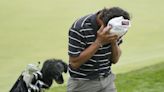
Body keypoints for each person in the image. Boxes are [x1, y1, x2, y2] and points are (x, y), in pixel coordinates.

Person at [67, 7, 130, 92]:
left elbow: (115, 60)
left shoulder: (116, 27)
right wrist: (99, 42)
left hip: (107, 81)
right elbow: (74, 63)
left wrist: (113, 41)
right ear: (102, 23)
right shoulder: (79, 28)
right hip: (82, 84)